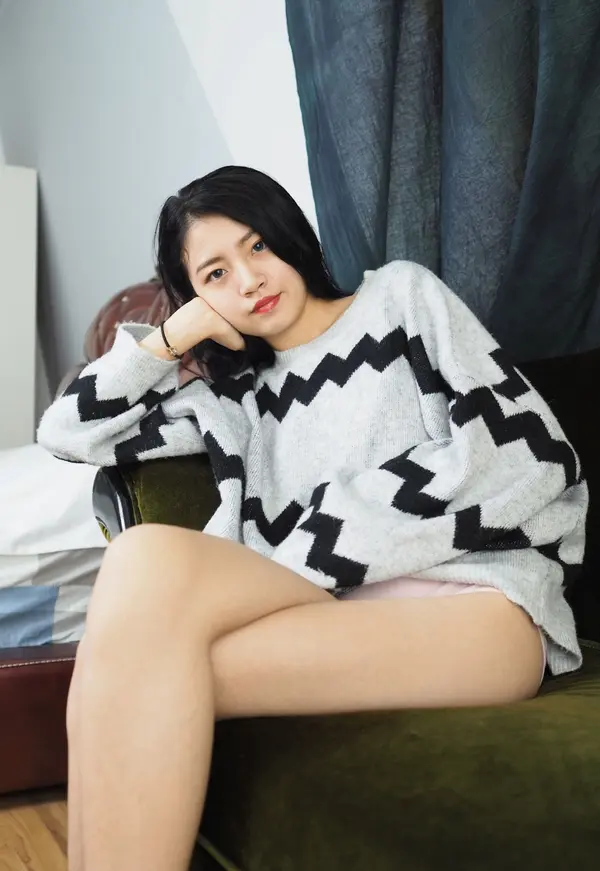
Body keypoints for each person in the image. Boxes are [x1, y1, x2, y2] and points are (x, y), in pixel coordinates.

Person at [38, 165, 587, 871]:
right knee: (130, 615)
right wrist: (174, 336)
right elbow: (66, 432)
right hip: (330, 613)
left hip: (475, 606)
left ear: (290, 236)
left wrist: (335, 527)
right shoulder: (235, 399)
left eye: (258, 245)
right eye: (215, 273)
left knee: (128, 650)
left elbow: (530, 453)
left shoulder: (400, 298)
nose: (249, 280)